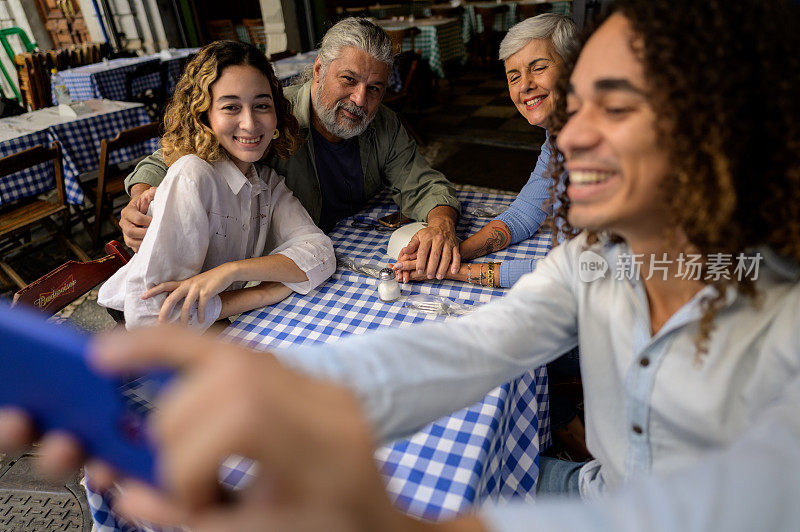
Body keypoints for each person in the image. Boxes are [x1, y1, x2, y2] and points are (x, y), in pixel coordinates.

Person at [3, 0, 800, 530]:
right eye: (571, 105)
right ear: (316, 75)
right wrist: (292, 400)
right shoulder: (601, 262)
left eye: (612, 106)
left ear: (717, 126)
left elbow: (738, 505)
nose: (568, 135)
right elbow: (474, 345)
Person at [121, 18, 463, 281]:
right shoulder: (266, 118)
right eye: (348, 80)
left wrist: (441, 226)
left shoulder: (383, 125)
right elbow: (169, 157)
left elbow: (426, 185)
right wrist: (143, 199)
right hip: (280, 263)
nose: (361, 99)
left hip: (332, 256)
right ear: (317, 71)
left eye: (374, 88)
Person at [97, 41, 335, 330]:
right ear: (204, 115)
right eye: (231, 107)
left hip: (203, 321)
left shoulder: (265, 184)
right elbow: (153, 315)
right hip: (145, 335)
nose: (249, 123)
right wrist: (264, 291)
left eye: (262, 105)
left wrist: (230, 272)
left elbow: (321, 254)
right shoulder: (193, 174)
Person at [394, 14, 578, 288]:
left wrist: (454, 271)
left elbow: (573, 273)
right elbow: (524, 213)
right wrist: (451, 254)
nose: (525, 84)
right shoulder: (558, 137)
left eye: (538, 68)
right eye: (514, 76)